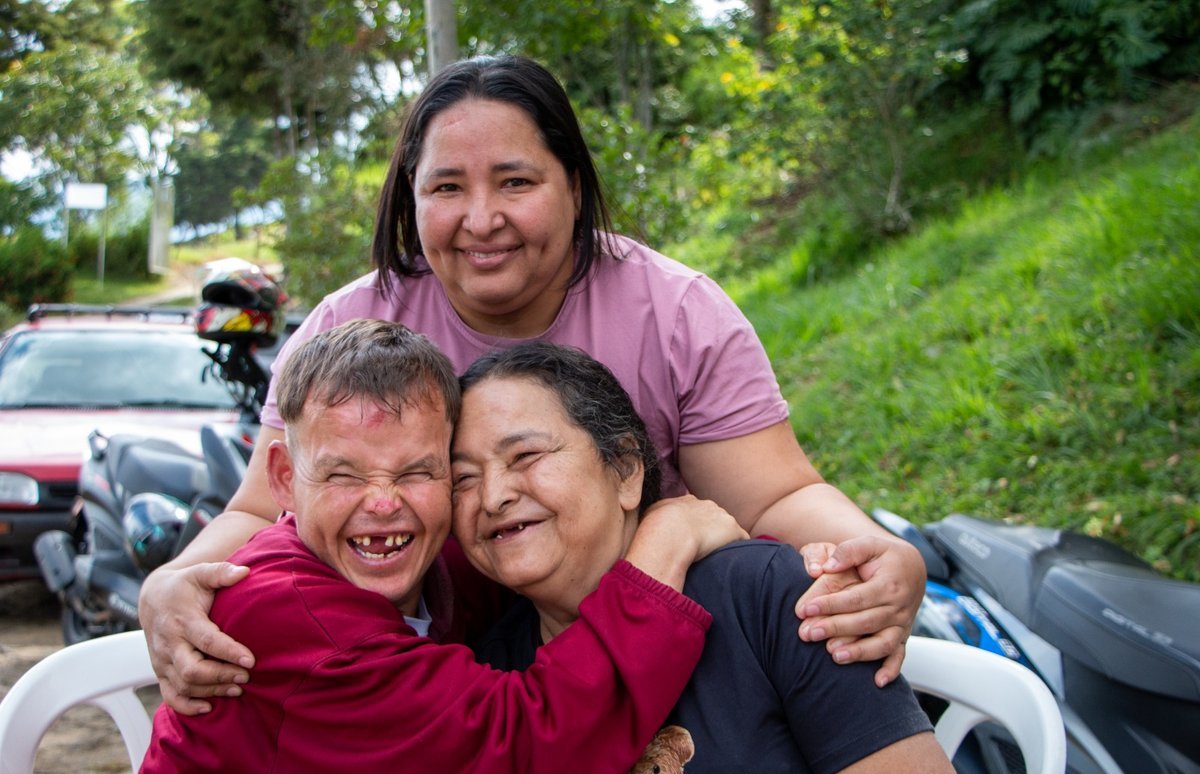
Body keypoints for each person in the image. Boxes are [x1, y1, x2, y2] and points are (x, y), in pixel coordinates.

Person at [140, 54, 926, 714]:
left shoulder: (675, 312)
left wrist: (878, 553)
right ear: (411, 201)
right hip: (429, 690)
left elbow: (776, 497)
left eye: (515, 181)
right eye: (447, 187)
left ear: (574, 186)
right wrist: (172, 582)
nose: (481, 219)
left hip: (658, 671)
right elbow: (261, 508)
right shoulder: (351, 326)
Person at [132, 319, 748, 774]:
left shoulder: (432, 566)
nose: (382, 504)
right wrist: (660, 549)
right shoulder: (288, 621)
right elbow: (523, 749)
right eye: (342, 474)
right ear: (284, 480)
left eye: (419, 471)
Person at [452, 341, 965, 774]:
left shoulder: (770, 597)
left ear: (626, 469)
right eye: (462, 480)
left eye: (526, 455)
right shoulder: (487, 680)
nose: (494, 496)